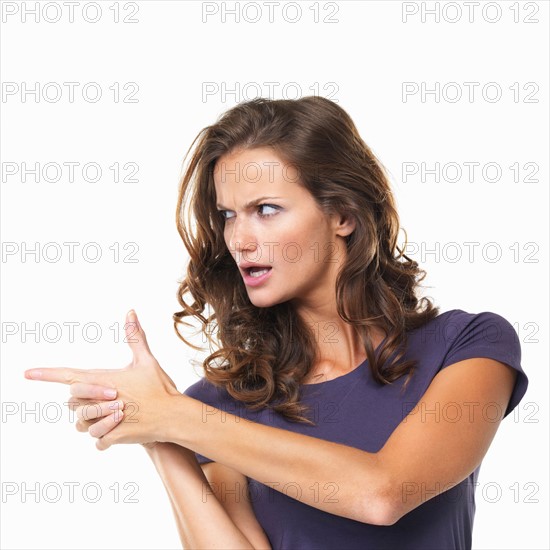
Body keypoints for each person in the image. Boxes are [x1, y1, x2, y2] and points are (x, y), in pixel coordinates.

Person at [25, 96, 529, 550]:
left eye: (266, 210)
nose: (240, 239)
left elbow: (385, 493)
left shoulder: (467, 346)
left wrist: (177, 418)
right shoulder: (220, 405)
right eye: (227, 215)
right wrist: (159, 436)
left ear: (343, 215)